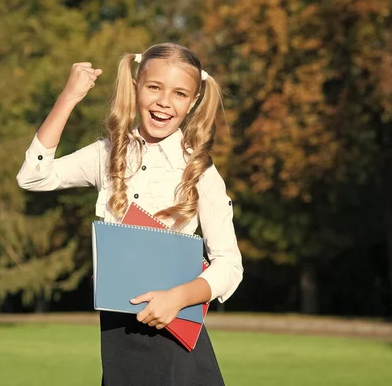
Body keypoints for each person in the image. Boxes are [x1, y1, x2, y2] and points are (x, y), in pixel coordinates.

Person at [16, 42, 243, 386]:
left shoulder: (200, 173)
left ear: (193, 102)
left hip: (175, 346)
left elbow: (230, 266)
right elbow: (33, 176)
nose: (164, 102)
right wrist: (68, 98)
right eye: (154, 87)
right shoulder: (107, 154)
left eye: (179, 94)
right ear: (136, 86)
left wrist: (178, 297)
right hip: (118, 342)